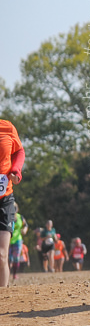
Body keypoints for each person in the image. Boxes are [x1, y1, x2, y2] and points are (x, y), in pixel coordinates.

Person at [0, 118, 25, 288]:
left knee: (1, 254)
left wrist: (16, 170)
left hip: (5, 198)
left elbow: (19, 151)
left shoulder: (7, 127)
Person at [8, 202, 26, 281]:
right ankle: (7, 274)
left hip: (18, 240)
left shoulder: (20, 217)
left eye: (15, 208)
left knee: (16, 258)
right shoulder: (7, 217)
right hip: (8, 240)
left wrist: (25, 229)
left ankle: (14, 274)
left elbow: (25, 225)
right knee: (8, 259)